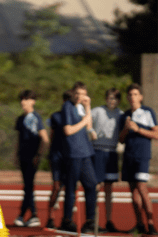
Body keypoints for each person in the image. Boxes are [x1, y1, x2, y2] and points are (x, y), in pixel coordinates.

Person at [118, 83, 158, 235]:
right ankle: (139, 223)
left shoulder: (148, 112)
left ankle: (151, 223)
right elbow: (120, 140)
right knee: (133, 192)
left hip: (142, 156)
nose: (132, 97)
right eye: (130, 95)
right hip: (128, 157)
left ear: (140, 97)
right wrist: (126, 129)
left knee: (142, 187)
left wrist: (138, 129)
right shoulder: (125, 115)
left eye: (135, 94)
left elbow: (156, 134)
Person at [59, 81, 99, 233]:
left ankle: (90, 220)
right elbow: (68, 130)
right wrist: (84, 121)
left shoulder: (82, 107)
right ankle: (67, 219)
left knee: (91, 184)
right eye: (77, 93)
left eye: (82, 94)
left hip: (86, 152)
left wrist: (88, 107)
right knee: (71, 187)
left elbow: (89, 126)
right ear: (72, 93)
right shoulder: (67, 107)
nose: (79, 97)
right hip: (73, 153)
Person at [13, 90, 49, 227]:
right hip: (22, 156)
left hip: (32, 157)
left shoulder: (36, 118)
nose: (23, 102)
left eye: (26, 99)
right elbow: (18, 139)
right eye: (22, 99)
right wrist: (16, 155)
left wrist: (39, 155)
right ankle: (31, 215)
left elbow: (45, 139)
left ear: (33, 101)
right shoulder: (20, 119)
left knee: (28, 186)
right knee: (28, 186)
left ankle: (26, 215)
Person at [91, 88, 123, 232]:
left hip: (111, 152)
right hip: (97, 150)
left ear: (119, 100)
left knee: (109, 187)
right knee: (96, 186)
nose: (112, 101)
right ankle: (93, 219)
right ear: (106, 98)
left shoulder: (120, 114)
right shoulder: (97, 111)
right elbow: (87, 123)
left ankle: (108, 220)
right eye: (110, 98)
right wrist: (90, 132)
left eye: (115, 98)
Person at [45, 90, 72, 229]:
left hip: (71, 155)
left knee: (71, 187)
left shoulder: (76, 115)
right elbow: (51, 135)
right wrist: (49, 154)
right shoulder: (56, 116)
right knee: (56, 186)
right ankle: (50, 217)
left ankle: (67, 219)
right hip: (57, 155)